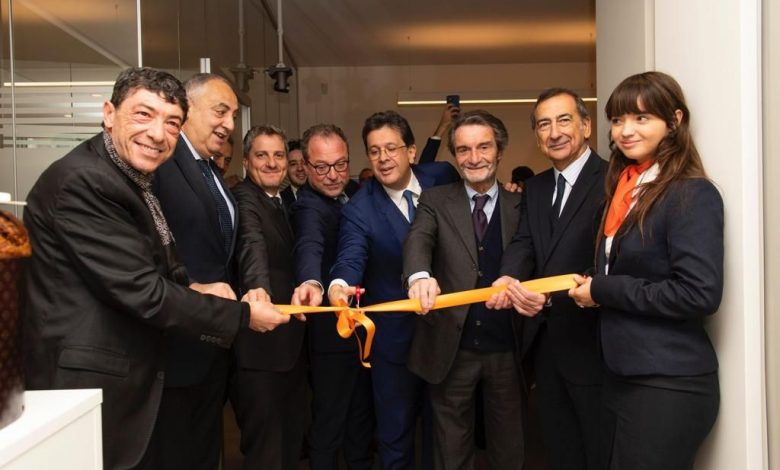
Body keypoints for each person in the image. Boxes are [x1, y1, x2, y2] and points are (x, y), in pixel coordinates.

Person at [21, 67, 289, 470]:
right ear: (109, 114)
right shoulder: (84, 181)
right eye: (143, 115)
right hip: (90, 383)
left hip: (133, 371)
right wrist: (242, 315)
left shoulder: (131, 175)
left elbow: (156, 261)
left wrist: (195, 288)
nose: (158, 134)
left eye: (171, 122)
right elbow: (143, 291)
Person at [568, 71, 723, 470]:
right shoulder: (625, 188)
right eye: (618, 119)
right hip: (622, 374)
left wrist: (603, 290)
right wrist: (589, 286)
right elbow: (630, 267)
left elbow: (698, 293)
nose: (625, 130)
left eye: (641, 118)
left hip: (667, 381)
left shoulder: (691, 192)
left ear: (674, 120)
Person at [328, 110, 460, 469]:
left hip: (446, 335)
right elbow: (350, 257)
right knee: (395, 436)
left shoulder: (442, 176)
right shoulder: (360, 209)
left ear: (411, 151)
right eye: (374, 151)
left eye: (391, 148)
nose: (383, 158)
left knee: (445, 436)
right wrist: (339, 286)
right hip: (394, 344)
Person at [488, 88, 607, 470]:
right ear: (537, 136)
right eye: (544, 125)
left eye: (563, 120)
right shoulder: (536, 188)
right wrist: (507, 276)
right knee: (559, 446)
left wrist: (553, 295)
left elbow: (613, 259)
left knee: (599, 449)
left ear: (586, 126)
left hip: (594, 341)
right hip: (545, 343)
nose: (554, 133)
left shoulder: (613, 180)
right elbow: (525, 241)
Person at [403, 110, 525, 469]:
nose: (474, 158)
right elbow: (418, 240)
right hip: (452, 348)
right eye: (463, 149)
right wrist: (419, 276)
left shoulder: (522, 203)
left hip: (508, 347)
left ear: (499, 150)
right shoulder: (434, 199)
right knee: (451, 449)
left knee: (509, 446)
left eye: (483, 147)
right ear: (454, 155)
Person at [152, 73, 251, 469]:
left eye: (234, 115)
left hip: (212, 344)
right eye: (220, 111)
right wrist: (193, 287)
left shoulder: (210, 172)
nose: (229, 124)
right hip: (176, 343)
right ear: (187, 108)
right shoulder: (163, 162)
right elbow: (149, 248)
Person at [289, 124, 373, 470]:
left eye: (341, 164)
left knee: (360, 417)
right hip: (332, 337)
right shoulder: (308, 207)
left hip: (361, 330)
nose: (334, 175)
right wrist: (312, 282)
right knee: (329, 421)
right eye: (322, 167)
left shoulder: (353, 190)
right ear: (305, 167)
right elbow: (309, 244)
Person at [230, 125, 308, 470]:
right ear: (247, 161)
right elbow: (252, 244)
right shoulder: (244, 199)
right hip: (259, 351)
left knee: (289, 440)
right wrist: (257, 289)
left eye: (278, 155)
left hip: (289, 347)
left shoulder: (282, 201)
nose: (272, 163)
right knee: (266, 450)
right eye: (262, 155)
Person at [280, 139, 307, 207]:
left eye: (304, 163)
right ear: (286, 169)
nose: (300, 168)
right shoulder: (279, 201)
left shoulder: (325, 194)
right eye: (293, 164)